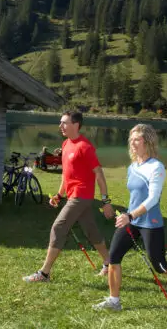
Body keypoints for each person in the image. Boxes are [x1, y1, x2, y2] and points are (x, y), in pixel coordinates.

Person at [93, 123, 167, 311]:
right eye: (131, 139)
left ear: (148, 142)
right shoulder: (132, 166)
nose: (133, 143)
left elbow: (152, 199)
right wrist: (126, 215)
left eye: (137, 140)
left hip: (149, 222)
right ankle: (114, 301)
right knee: (113, 257)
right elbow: (135, 196)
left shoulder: (156, 167)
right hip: (131, 220)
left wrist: (130, 214)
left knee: (160, 265)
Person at [23, 110, 115, 282]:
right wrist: (59, 194)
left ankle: (44, 273)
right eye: (61, 122)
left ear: (76, 125)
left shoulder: (85, 147)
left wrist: (105, 201)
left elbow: (99, 175)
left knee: (58, 228)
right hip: (73, 195)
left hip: (81, 196)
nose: (61, 126)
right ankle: (109, 263)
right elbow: (66, 174)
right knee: (91, 231)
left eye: (64, 122)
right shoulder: (66, 144)